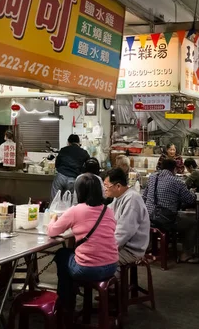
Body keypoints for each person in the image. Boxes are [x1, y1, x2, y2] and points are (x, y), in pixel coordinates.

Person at [49, 174, 118, 317]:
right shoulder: (108, 210)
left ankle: (66, 305)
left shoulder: (76, 210)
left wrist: (53, 218)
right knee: (70, 255)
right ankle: (71, 298)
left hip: (88, 269)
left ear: (79, 192)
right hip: (111, 266)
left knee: (62, 255)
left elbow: (52, 231)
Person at [143, 158, 198, 263]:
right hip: (166, 220)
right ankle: (186, 254)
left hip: (148, 218)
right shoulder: (177, 181)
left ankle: (150, 249)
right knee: (192, 222)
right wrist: (191, 192)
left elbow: (144, 196)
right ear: (174, 169)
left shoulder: (152, 177)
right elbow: (190, 199)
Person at [104, 168, 150, 264]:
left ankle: (115, 278)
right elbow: (106, 214)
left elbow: (123, 233)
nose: (105, 189)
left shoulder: (132, 199)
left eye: (106, 186)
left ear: (118, 186)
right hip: (121, 245)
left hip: (130, 250)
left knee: (95, 259)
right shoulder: (118, 197)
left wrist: (105, 248)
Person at [51, 134, 90, 200]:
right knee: (70, 202)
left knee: (55, 200)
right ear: (79, 142)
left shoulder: (63, 150)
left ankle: (52, 209)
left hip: (60, 176)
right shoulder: (84, 153)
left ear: (68, 142)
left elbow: (57, 164)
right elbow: (88, 165)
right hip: (73, 179)